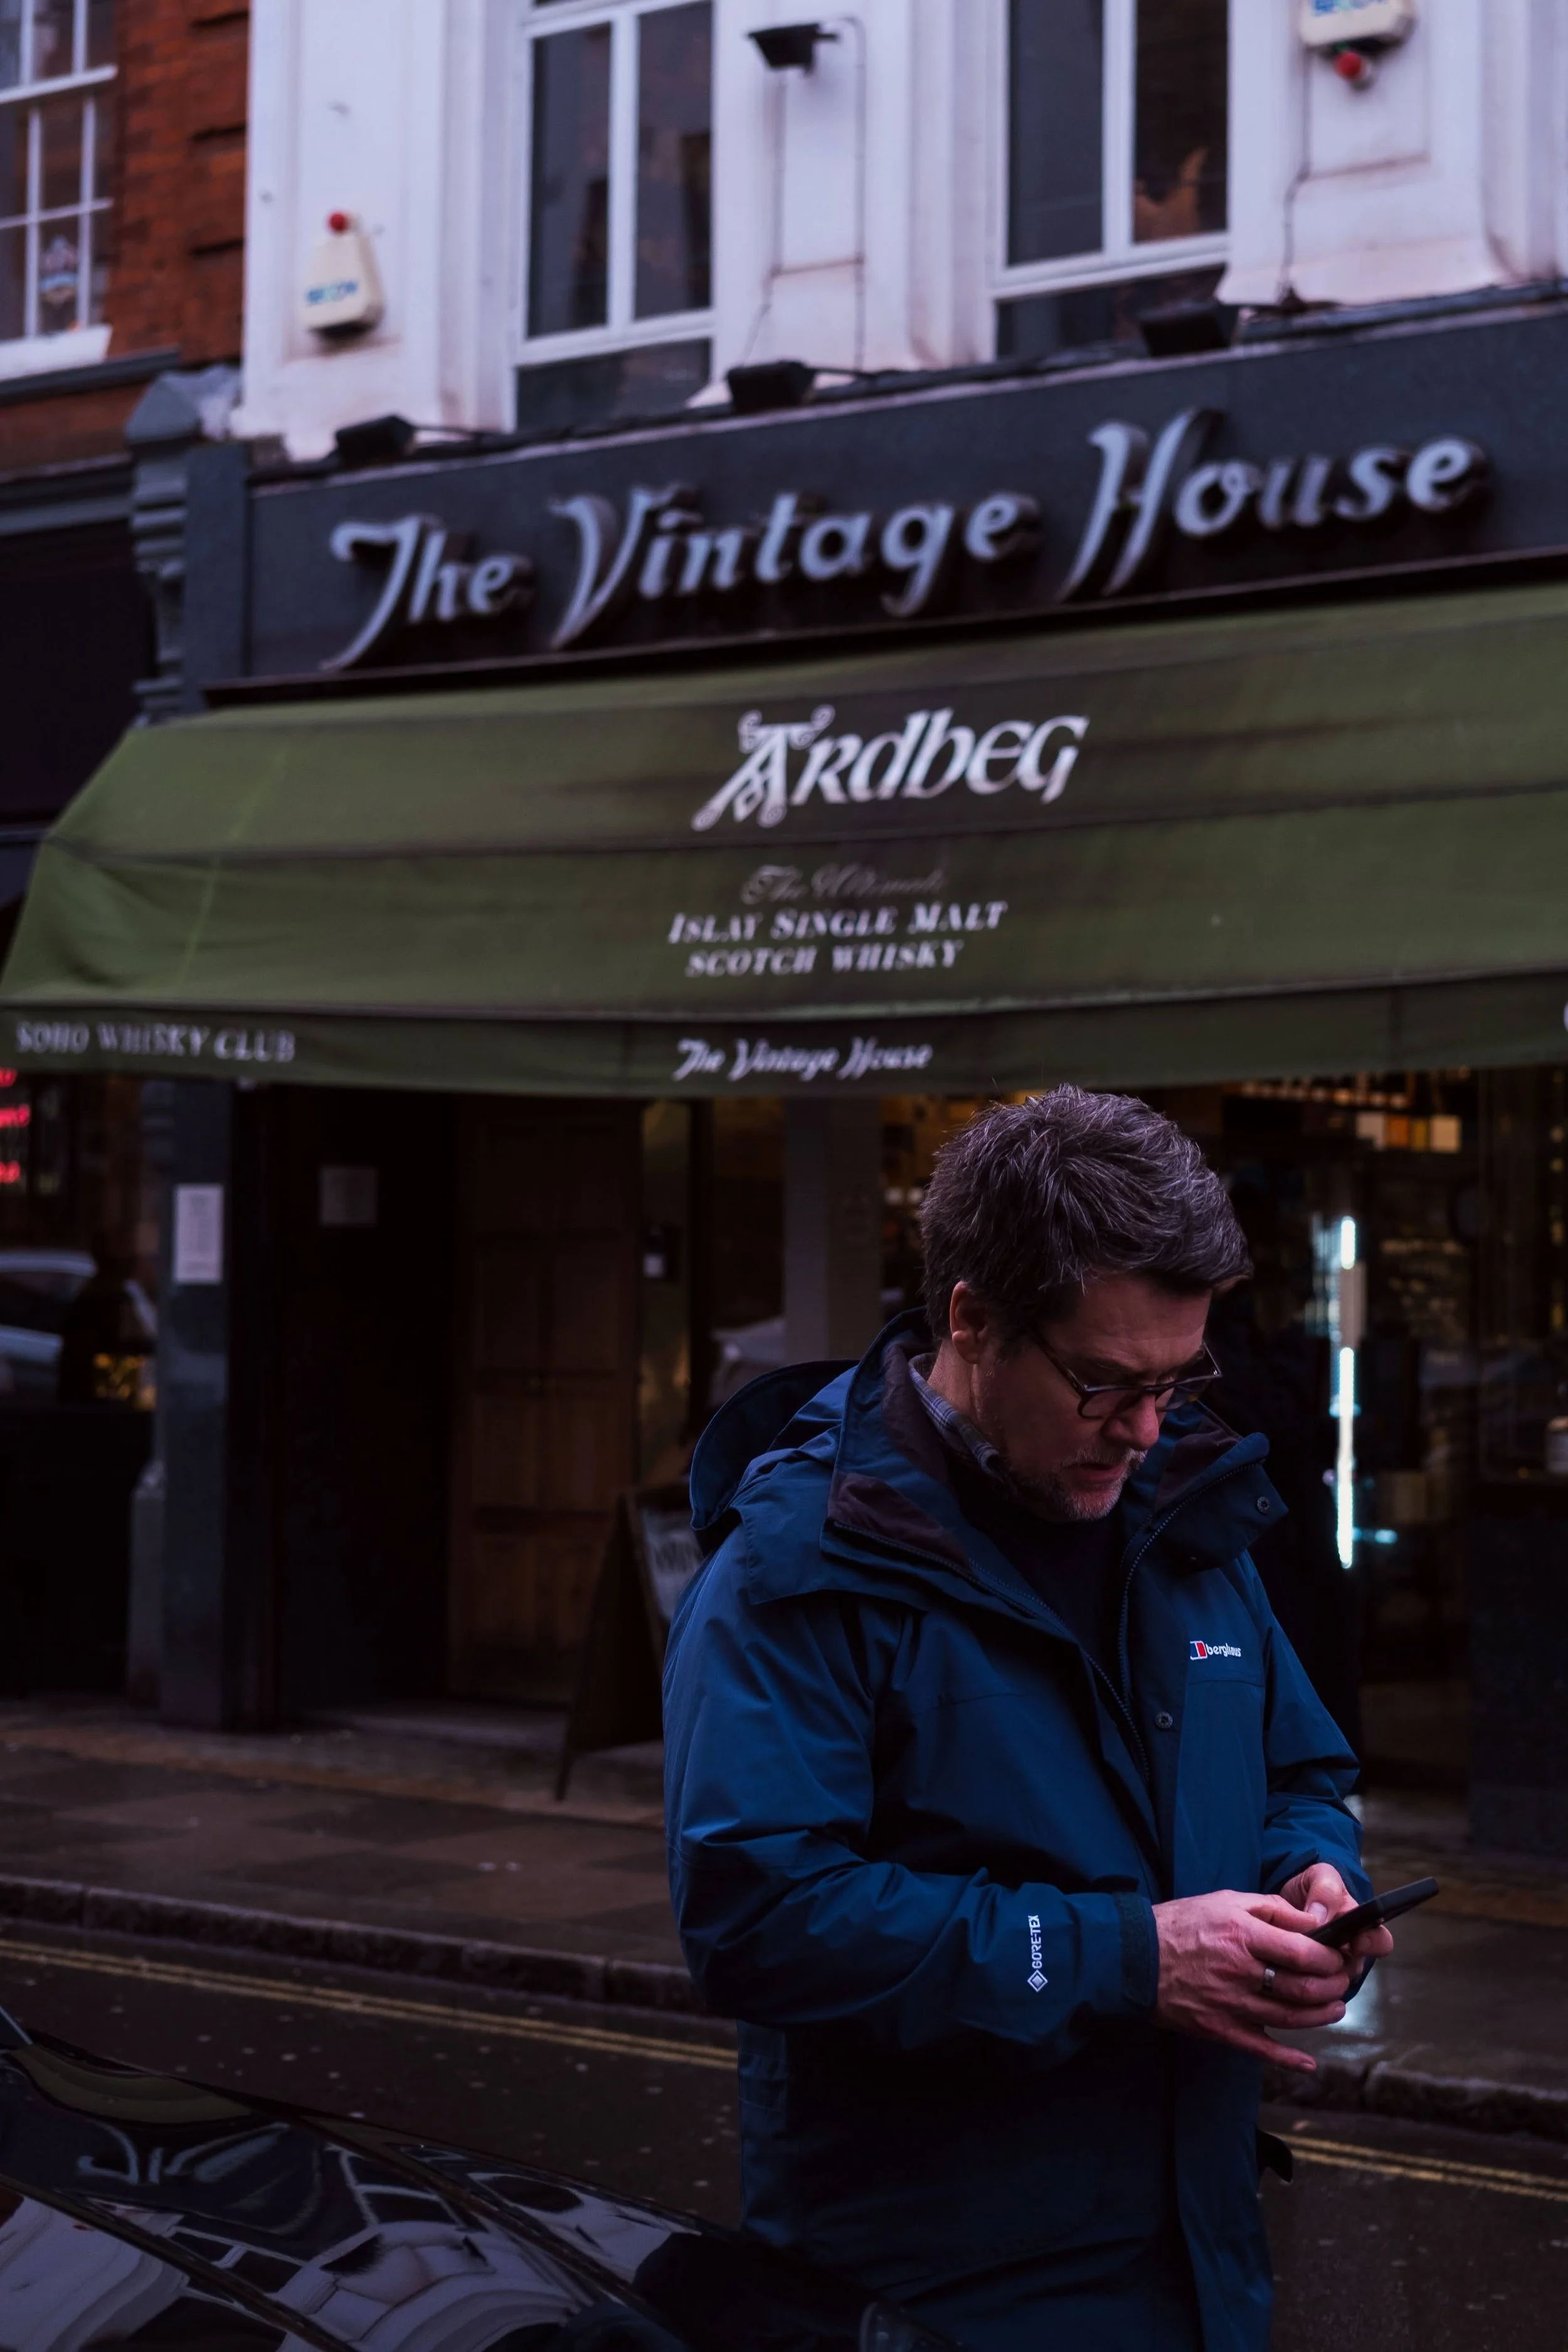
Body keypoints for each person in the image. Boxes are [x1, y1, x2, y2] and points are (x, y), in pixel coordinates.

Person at [663, 1089, 1392, 2352]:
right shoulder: (796, 1563)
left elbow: (1297, 1763)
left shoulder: (1182, 1509)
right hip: (940, 2288)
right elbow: (758, 1917)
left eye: (1177, 1380)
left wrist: (1311, 1874)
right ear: (973, 1320)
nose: (1147, 1430)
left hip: (1196, 2255)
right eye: (1104, 1385)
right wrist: (1127, 1957)